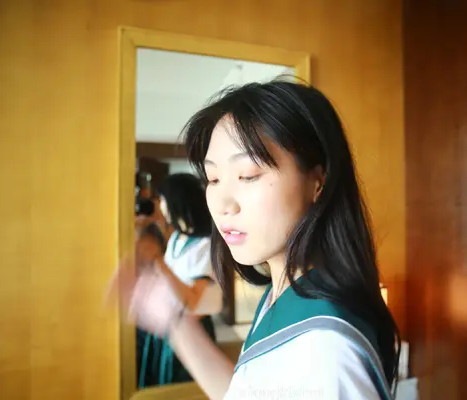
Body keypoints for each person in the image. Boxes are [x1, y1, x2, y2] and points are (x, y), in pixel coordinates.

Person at [111, 80, 400, 399]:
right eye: (213, 179)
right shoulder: (284, 292)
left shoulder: (326, 350)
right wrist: (175, 324)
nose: (223, 204)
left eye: (248, 175)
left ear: (318, 181)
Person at [134, 173, 222, 388]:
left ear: (177, 202)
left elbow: (193, 302)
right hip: (172, 325)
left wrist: (159, 263)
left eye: (162, 199)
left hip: (193, 330)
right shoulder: (176, 238)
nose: (159, 205)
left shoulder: (206, 246)